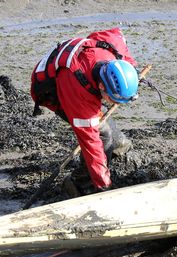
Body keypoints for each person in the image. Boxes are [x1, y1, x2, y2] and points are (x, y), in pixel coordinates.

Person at [30, 28, 139, 196]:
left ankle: (117, 149)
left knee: (112, 138)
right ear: (102, 86)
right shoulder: (81, 97)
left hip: (79, 68)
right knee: (103, 136)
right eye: (114, 100)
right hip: (55, 91)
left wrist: (132, 71)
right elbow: (91, 143)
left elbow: (117, 35)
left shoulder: (112, 49)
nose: (115, 104)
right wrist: (104, 186)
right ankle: (79, 182)